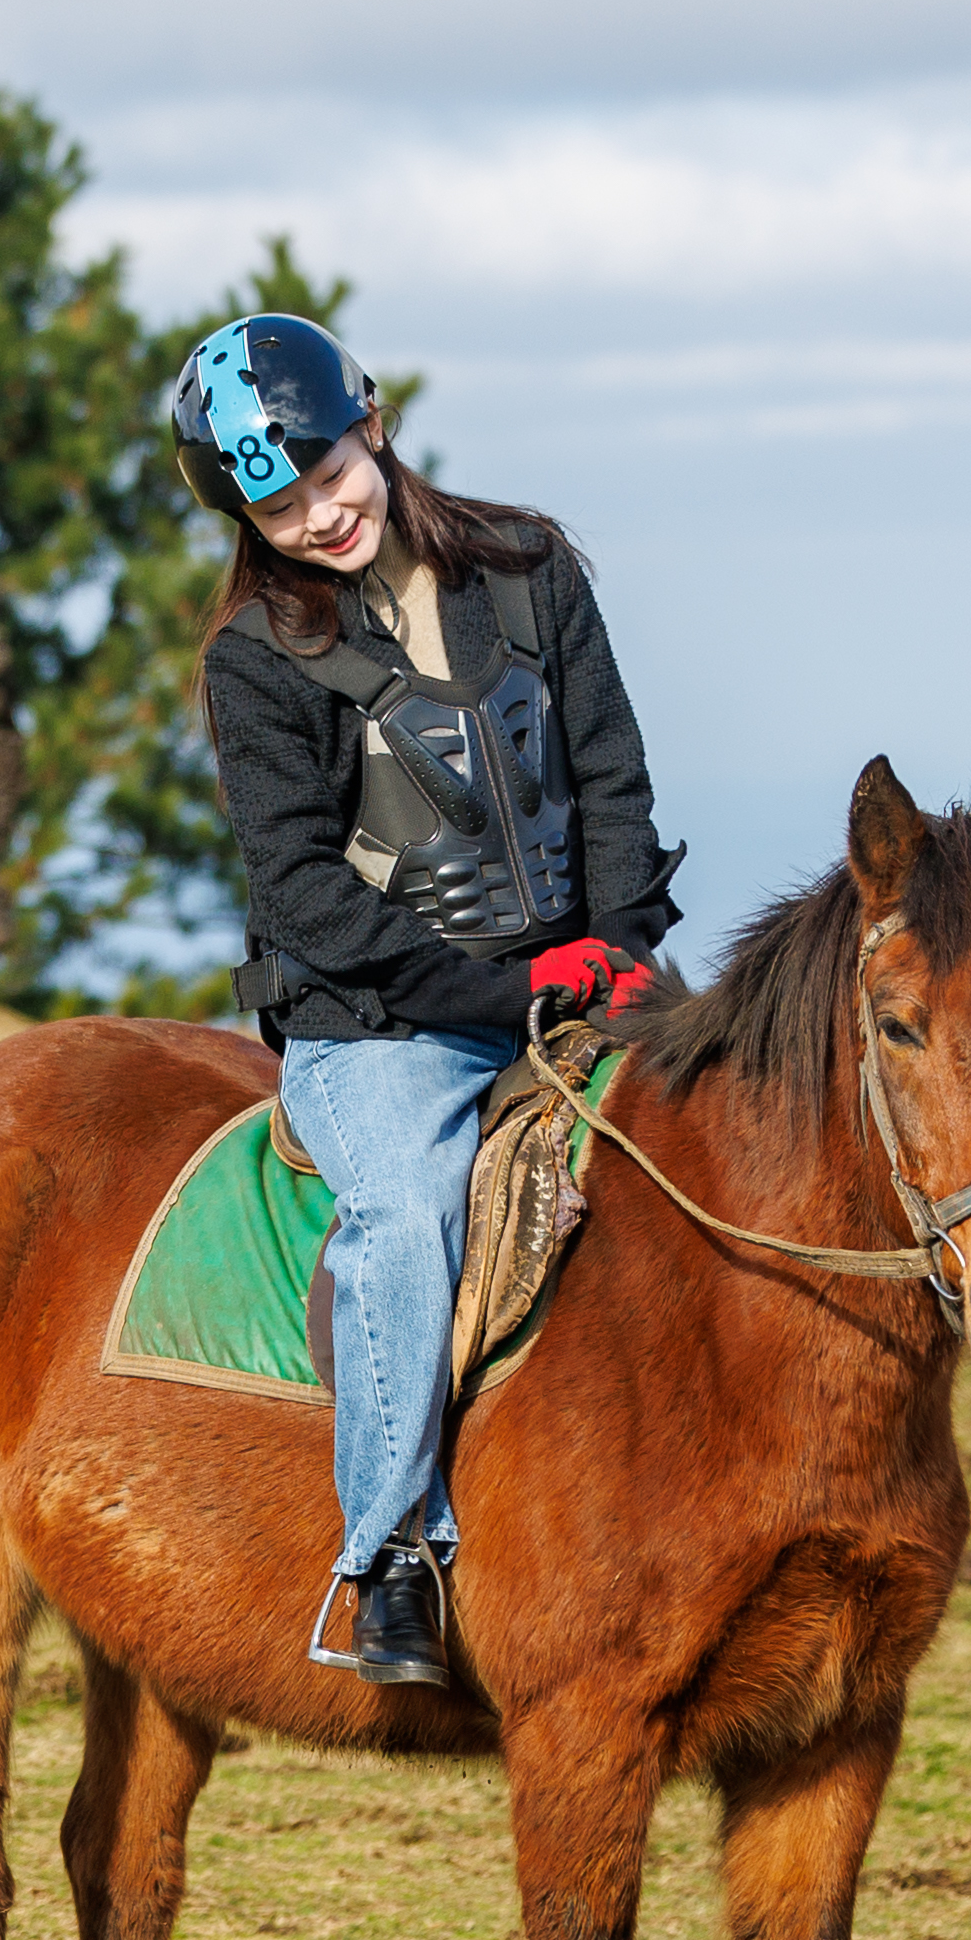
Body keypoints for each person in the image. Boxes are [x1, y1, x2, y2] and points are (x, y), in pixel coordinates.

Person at [170, 312, 677, 1692]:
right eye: (277, 508)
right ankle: (391, 1554)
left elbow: (609, 776)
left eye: (329, 473)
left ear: (374, 423)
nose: (318, 517)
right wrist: (504, 991)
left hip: (583, 984)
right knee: (404, 1214)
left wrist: (622, 944)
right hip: (382, 1028)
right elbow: (304, 897)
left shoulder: (530, 567)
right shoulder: (255, 661)